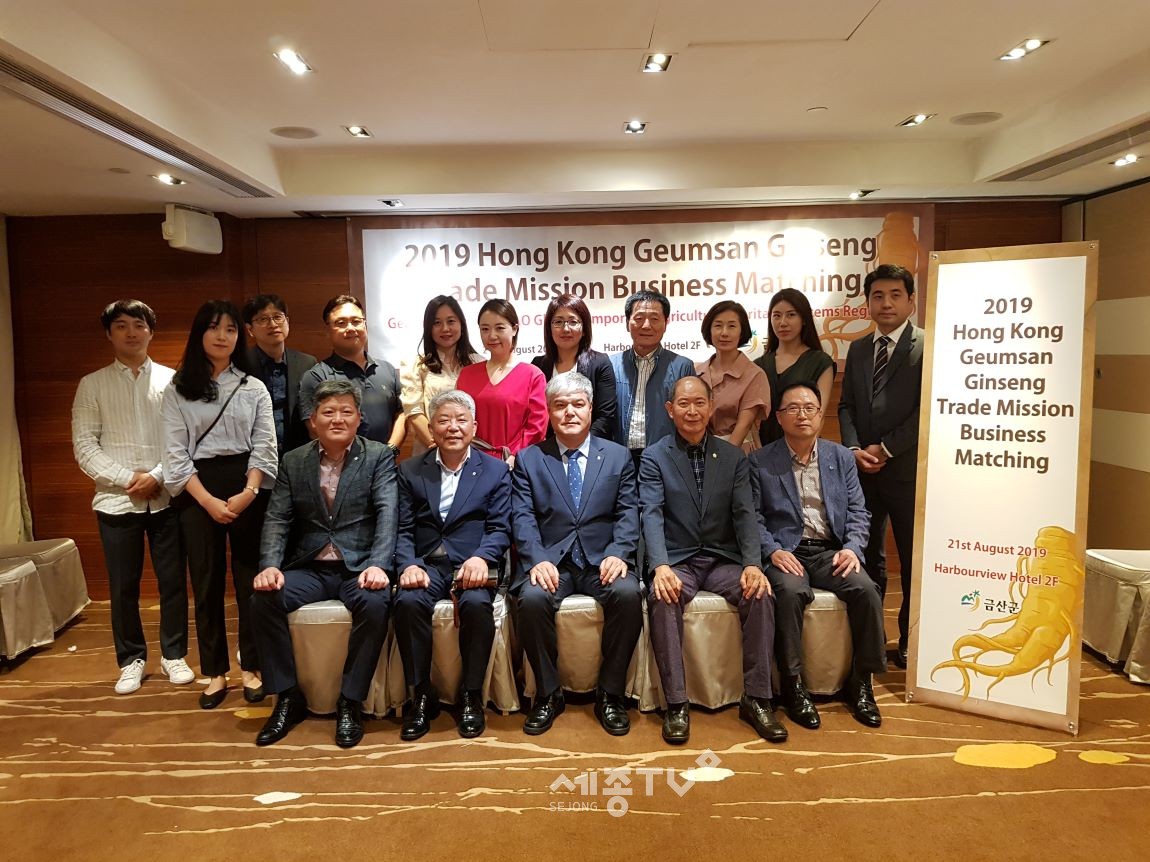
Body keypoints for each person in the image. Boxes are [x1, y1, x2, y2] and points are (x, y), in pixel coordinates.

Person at [640, 375, 785, 745]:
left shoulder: (733, 457)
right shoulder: (655, 456)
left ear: (711, 407)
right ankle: (676, 704)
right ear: (670, 410)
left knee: (761, 593)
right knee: (662, 596)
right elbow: (651, 514)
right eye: (683, 404)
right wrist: (660, 566)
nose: (692, 411)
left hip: (722, 558)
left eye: (699, 403)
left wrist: (752, 564)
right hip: (678, 560)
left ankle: (757, 698)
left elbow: (744, 514)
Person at [250, 380, 396, 748]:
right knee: (264, 599)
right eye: (328, 412)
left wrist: (379, 564)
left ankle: (351, 699)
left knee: (376, 603)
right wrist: (270, 565)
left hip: (359, 567)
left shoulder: (378, 456)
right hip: (311, 567)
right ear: (313, 420)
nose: (337, 419)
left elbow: (387, 512)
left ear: (359, 418)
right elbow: (278, 518)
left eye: (346, 411)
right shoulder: (293, 460)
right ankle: (287, 696)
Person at [511, 372, 642, 736]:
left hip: (603, 560)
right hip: (553, 561)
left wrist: (619, 552)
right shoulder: (529, 459)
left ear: (590, 408)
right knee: (531, 600)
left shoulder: (617, 456)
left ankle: (610, 694)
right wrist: (537, 559)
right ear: (549, 411)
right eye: (560, 405)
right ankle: (548, 694)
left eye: (577, 404)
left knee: (628, 595)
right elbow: (522, 516)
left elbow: (628, 511)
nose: (569, 412)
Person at [750, 382, 886, 730]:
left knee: (866, 590)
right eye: (793, 408)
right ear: (779, 417)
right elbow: (752, 517)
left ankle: (862, 681)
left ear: (820, 414)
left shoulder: (840, 457)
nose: (802, 415)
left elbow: (858, 510)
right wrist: (772, 550)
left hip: (831, 550)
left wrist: (852, 547)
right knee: (790, 592)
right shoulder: (761, 461)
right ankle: (793, 684)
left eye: (809, 408)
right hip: (786, 552)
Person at [162, 300, 277, 709]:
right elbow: (174, 455)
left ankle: (252, 667)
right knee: (206, 582)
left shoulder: (253, 387)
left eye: (230, 329)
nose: (222, 336)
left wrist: (249, 491)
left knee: (251, 582)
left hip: (248, 484)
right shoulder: (177, 389)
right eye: (214, 327)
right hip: (198, 489)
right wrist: (208, 500)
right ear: (199, 333)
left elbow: (265, 444)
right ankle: (214, 671)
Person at [72, 299, 191, 695]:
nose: (131, 332)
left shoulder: (173, 381)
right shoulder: (92, 384)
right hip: (116, 501)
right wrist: (129, 479)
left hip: (167, 497)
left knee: (173, 582)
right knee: (123, 587)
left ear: (150, 331)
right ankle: (130, 660)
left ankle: (174, 654)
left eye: (138, 325)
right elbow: (84, 446)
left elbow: (184, 438)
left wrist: (157, 475)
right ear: (109, 334)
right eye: (121, 325)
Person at [393, 390, 511, 740]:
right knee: (407, 601)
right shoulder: (410, 470)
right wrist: (408, 564)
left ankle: (471, 694)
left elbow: (500, 528)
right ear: (431, 428)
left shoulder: (495, 470)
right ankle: (421, 695)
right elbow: (402, 528)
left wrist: (482, 557)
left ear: (474, 427)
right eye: (444, 420)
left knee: (476, 605)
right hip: (427, 564)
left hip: (472, 565)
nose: (453, 427)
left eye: (461, 420)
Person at [838, 264, 924, 669]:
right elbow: (846, 406)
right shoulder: (858, 348)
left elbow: (926, 410)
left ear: (911, 300)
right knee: (867, 557)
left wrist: (887, 449)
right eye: (878, 295)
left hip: (907, 472)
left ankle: (910, 640)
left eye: (895, 295)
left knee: (911, 559)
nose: (886, 303)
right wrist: (854, 448)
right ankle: (872, 641)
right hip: (862, 474)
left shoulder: (927, 346)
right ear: (867, 302)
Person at [299, 294, 406, 455]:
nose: (350, 328)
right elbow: (314, 428)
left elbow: (401, 413)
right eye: (341, 323)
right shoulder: (316, 376)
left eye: (356, 321)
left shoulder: (387, 370)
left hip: (385, 463)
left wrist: (389, 451)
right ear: (328, 330)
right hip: (340, 464)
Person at [456, 299, 548, 469]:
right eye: (485, 329)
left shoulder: (533, 375)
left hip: (516, 464)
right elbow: (458, 419)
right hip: (472, 462)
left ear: (514, 329)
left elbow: (537, 427)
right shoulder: (467, 375)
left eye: (499, 328)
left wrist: (514, 456)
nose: (492, 336)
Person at [610, 290, 694, 467]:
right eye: (639, 318)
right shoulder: (610, 365)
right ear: (627, 323)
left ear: (666, 323)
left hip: (666, 459)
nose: (646, 326)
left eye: (655, 319)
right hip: (617, 459)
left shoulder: (682, 366)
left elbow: (688, 418)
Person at [399, 295, 482, 457]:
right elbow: (414, 412)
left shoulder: (479, 363)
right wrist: (440, 446)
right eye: (437, 323)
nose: (445, 328)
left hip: (473, 450)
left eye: (451, 321)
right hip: (430, 449)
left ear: (461, 324)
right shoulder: (416, 364)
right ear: (428, 328)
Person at [531, 293, 618, 442]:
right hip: (547, 448)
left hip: (588, 448)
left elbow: (605, 417)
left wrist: (579, 446)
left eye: (573, 321)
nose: (565, 329)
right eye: (558, 322)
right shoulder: (538, 365)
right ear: (549, 328)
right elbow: (534, 414)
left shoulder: (600, 363)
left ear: (584, 329)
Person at [755, 288, 834, 445]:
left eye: (791, 315)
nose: (783, 322)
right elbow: (753, 420)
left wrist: (801, 454)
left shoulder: (820, 362)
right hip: (764, 449)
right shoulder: (758, 365)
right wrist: (759, 454)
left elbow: (819, 417)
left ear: (804, 319)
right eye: (776, 315)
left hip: (804, 449)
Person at [241, 294, 317, 456]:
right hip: (254, 454)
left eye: (278, 317)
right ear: (250, 329)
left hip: (297, 454)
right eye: (263, 319)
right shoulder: (240, 365)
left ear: (287, 321)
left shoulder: (307, 363)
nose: (273, 324)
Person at [695, 300, 771, 452]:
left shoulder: (754, 375)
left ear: (742, 331)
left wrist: (721, 461)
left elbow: (743, 426)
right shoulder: (696, 373)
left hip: (738, 452)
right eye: (718, 325)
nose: (724, 333)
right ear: (709, 330)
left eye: (732, 326)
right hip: (699, 451)